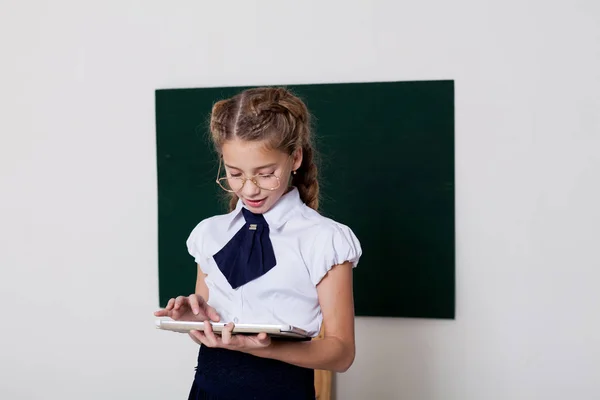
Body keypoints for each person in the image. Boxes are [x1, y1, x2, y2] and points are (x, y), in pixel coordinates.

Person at [154, 87, 362, 400]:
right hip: (208, 391)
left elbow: (341, 353)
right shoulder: (209, 235)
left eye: (266, 174)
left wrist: (267, 348)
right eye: (235, 174)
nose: (249, 189)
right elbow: (211, 329)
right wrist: (194, 317)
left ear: (295, 158)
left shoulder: (325, 240)